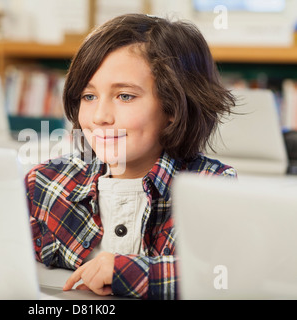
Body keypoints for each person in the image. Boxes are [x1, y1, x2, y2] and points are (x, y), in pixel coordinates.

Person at [24, 13, 237, 300]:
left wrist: (126, 272)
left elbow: (224, 276)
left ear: (173, 109)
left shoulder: (212, 186)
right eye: (89, 96)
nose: (100, 117)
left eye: (125, 96)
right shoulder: (45, 184)